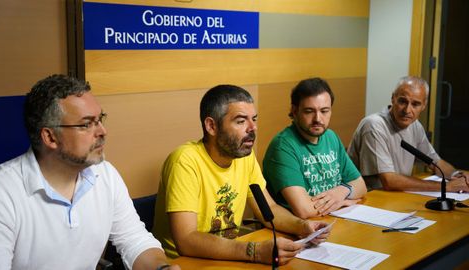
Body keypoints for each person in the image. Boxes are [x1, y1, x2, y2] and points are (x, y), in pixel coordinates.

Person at [0, 75, 179, 270]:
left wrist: (161, 268)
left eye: (100, 120)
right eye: (86, 124)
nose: (102, 131)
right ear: (50, 137)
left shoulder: (105, 174)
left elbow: (135, 241)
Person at [152, 84, 330, 266]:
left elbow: (269, 210)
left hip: (226, 257)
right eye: (241, 121)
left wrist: (302, 226)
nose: (252, 128)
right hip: (184, 263)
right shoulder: (184, 161)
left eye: (254, 119)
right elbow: (186, 239)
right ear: (211, 126)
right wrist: (255, 251)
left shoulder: (244, 155)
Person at [262, 78, 367, 219]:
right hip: (298, 231)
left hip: (332, 220)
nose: (318, 118)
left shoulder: (331, 137)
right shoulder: (283, 146)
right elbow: (304, 210)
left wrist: (342, 191)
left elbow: (361, 186)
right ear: (294, 111)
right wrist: (341, 202)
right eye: (309, 111)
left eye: (324, 111)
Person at [347, 76, 469, 192]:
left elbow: (436, 163)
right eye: (402, 101)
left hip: (395, 197)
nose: (407, 110)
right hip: (368, 201)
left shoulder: (415, 125)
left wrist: (458, 176)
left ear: (424, 105)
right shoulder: (374, 125)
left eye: (415, 104)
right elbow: (389, 181)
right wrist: (446, 187)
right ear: (393, 98)